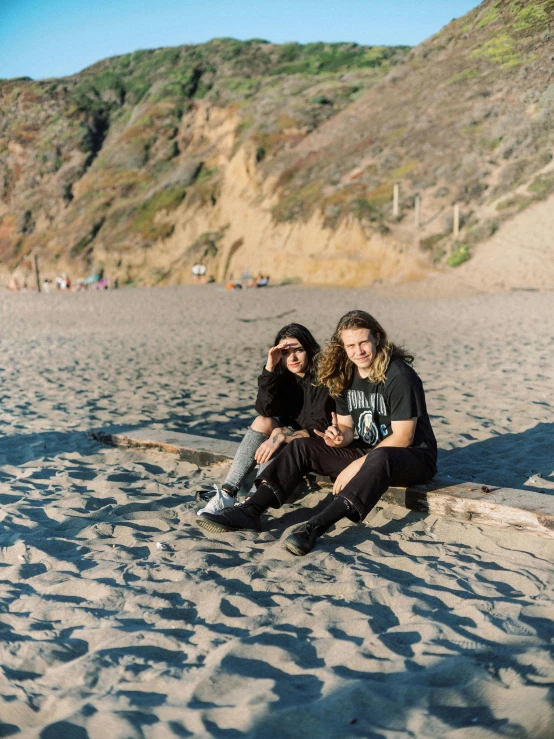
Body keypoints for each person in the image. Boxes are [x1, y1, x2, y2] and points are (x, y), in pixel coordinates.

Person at [197, 310, 437, 555]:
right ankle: (250, 512)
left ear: (377, 337)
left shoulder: (399, 375)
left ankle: (313, 528)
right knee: (300, 447)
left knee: (380, 457)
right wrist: (338, 436)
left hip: (412, 457)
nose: (359, 351)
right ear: (342, 347)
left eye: (364, 342)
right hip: (369, 450)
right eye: (351, 345)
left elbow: (403, 437)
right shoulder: (347, 374)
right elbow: (347, 428)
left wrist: (358, 465)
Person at [196, 323, 334, 523]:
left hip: (311, 447)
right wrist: (270, 368)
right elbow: (265, 410)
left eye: (299, 350)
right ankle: (228, 493)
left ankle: (253, 500)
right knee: (262, 422)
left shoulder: (323, 378)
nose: (292, 358)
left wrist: (279, 436)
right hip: (285, 442)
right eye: (285, 352)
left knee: (277, 432)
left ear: (310, 349)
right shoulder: (283, 376)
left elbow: (317, 427)